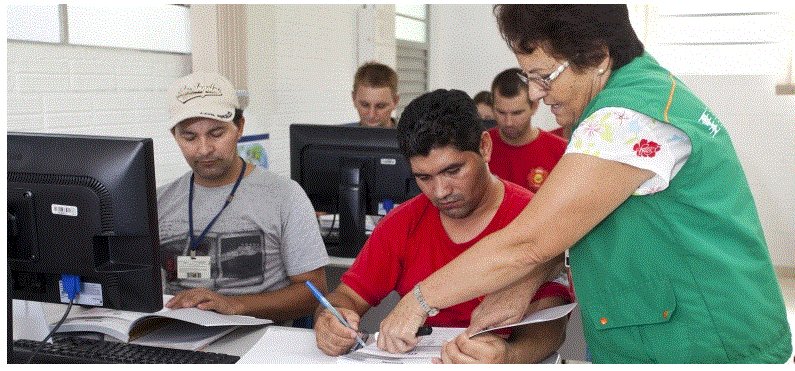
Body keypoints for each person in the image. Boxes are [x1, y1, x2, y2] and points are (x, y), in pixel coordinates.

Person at [378, 5, 792, 363]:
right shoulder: (635, 97)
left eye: (544, 76)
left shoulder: (626, 119)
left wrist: (419, 300)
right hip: (677, 335)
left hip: (705, 343)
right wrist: (525, 285)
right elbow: (582, 226)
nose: (538, 94)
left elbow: (528, 241)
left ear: (597, 56)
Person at [313, 89, 572, 363]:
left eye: (453, 171)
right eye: (424, 177)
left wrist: (509, 355)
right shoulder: (402, 224)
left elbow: (552, 321)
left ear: (484, 147)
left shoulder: (532, 218)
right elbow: (345, 297)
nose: (440, 191)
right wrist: (331, 321)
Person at [158, 72, 330, 323]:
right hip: (176, 339)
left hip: (259, 344)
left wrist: (234, 305)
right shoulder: (160, 201)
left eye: (216, 134)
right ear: (175, 135)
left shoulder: (285, 196)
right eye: (189, 137)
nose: (204, 149)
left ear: (239, 128)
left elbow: (314, 293)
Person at [488, 67, 568, 192]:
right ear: (493, 107)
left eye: (517, 113)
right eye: (501, 112)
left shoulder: (562, 151)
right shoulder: (479, 147)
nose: (508, 122)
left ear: (534, 106)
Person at [349, 61, 399, 128]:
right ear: (354, 99)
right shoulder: (337, 135)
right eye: (365, 105)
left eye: (380, 106)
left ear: (395, 102)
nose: (371, 115)